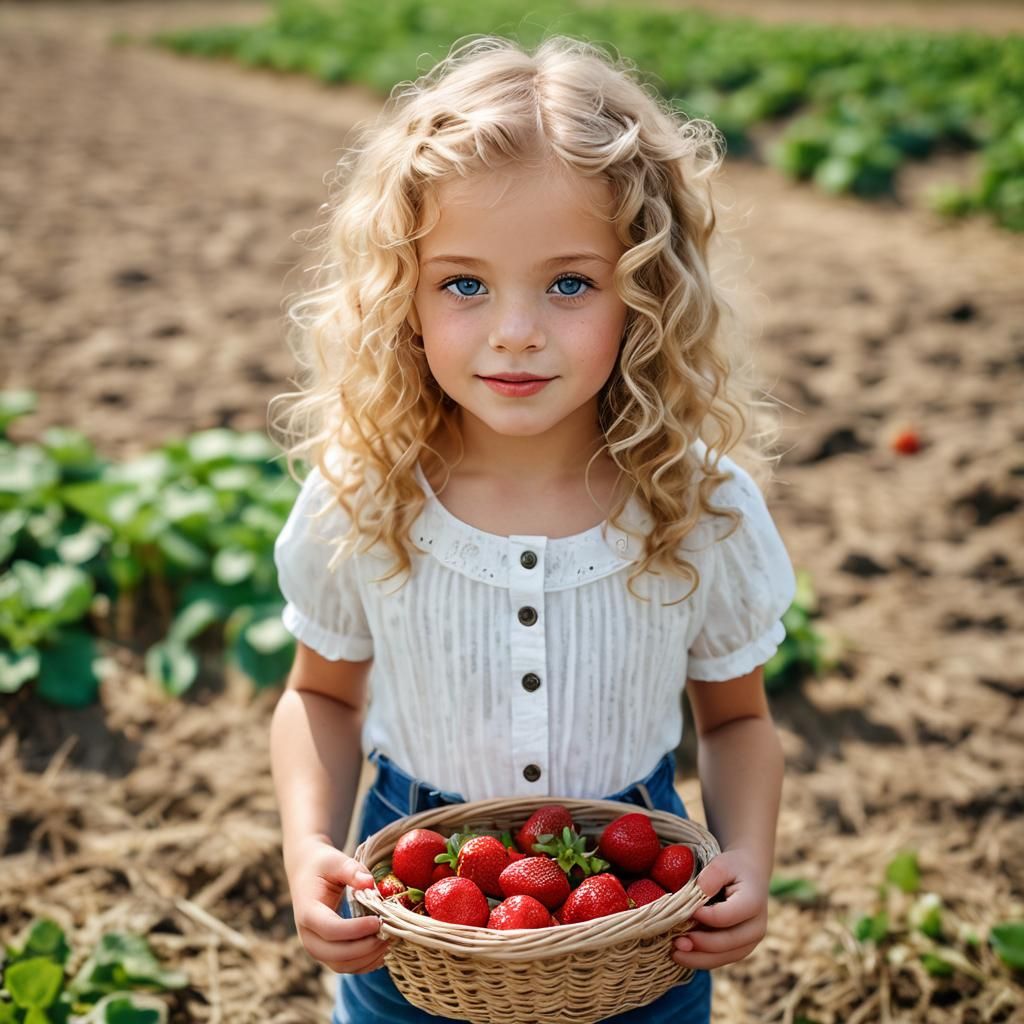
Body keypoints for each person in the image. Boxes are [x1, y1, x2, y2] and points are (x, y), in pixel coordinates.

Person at [268, 33, 797, 1024]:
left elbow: (735, 720)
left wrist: (747, 859)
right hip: (412, 901)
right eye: (464, 283)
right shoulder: (364, 493)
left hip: (639, 914)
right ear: (405, 300)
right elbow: (319, 699)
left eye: (569, 283)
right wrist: (307, 846)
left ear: (645, 294)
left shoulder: (699, 507)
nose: (516, 329)